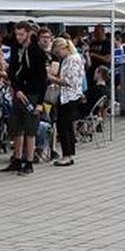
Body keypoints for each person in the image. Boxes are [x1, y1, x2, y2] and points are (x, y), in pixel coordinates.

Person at [1, 21, 48, 176]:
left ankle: (29, 162)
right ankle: (17, 158)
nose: (18, 37)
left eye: (21, 34)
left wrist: (40, 103)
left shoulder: (37, 52)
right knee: (17, 127)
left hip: (33, 93)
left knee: (30, 129)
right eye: (17, 34)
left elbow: (43, 79)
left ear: (29, 33)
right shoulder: (16, 48)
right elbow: (12, 70)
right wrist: (17, 88)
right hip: (19, 92)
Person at [50, 37, 85, 168]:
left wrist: (52, 78)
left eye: (58, 52)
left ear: (64, 48)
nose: (58, 55)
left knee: (63, 125)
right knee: (68, 125)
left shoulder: (72, 60)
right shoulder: (70, 58)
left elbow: (69, 81)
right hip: (69, 95)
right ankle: (70, 152)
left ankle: (66, 155)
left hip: (69, 96)